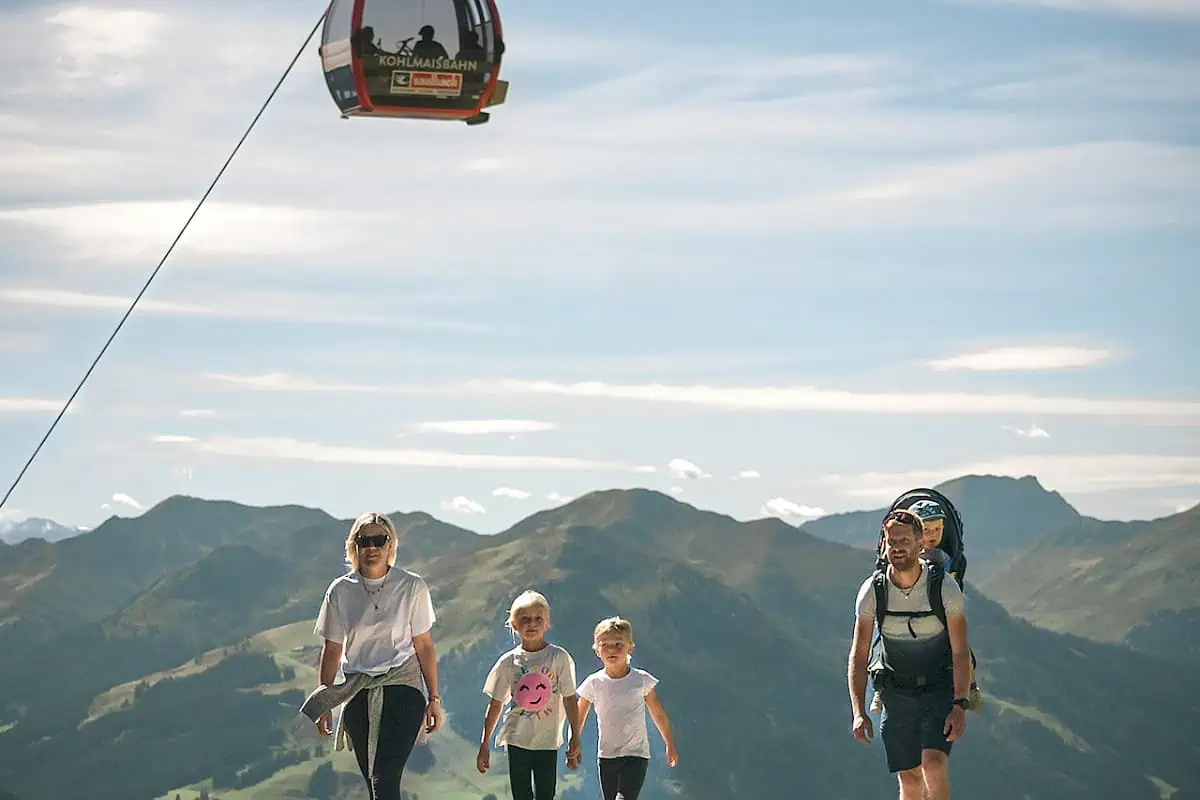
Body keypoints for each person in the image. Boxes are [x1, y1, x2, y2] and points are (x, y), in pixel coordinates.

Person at [299, 512, 444, 800]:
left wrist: (434, 699)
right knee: (375, 785)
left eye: (380, 540)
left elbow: (424, 646)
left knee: (384, 778)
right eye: (365, 541)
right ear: (354, 546)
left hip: (404, 689)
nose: (372, 547)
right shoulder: (340, 591)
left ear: (391, 545)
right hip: (358, 693)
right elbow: (332, 649)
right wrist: (326, 700)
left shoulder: (411, 587)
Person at [847, 508, 971, 800]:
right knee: (910, 778)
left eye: (904, 540)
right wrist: (858, 712)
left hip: (939, 687)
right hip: (896, 691)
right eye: (892, 541)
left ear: (920, 544)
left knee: (933, 764)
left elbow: (961, 650)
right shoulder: (872, 591)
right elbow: (859, 653)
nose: (898, 547)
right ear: (884, 544)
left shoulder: (944, 587)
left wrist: (960, 704)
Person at [476, 590, 583, 800]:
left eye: (537, 619)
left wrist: (575, 736)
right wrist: (484, 743)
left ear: (547, 624)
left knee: (546, 794)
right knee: (521, 795)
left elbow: (570, 699)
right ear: (514, 625)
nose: (531, 624)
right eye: (525, 619)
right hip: (516, 739)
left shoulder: (558, 658)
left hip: (548, 740)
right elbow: (496, 704)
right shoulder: (509, 662)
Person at [576, 617, 678, 800]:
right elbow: (579, 716)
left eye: (618, 644)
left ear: (630, 647)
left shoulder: (641, 680)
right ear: (597, 650)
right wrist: (573, 741)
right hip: (606, 755)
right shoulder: (593, 683)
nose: (612, 649)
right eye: (605, 645)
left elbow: (657, 712)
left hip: (635, 754)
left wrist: (669, 742)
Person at [909, 499, 982, 711]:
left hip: (940, 610)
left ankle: (970, 686)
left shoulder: (945, 559)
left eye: (937, 529)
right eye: (926, 529)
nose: (932, 534)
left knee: (959, 645)